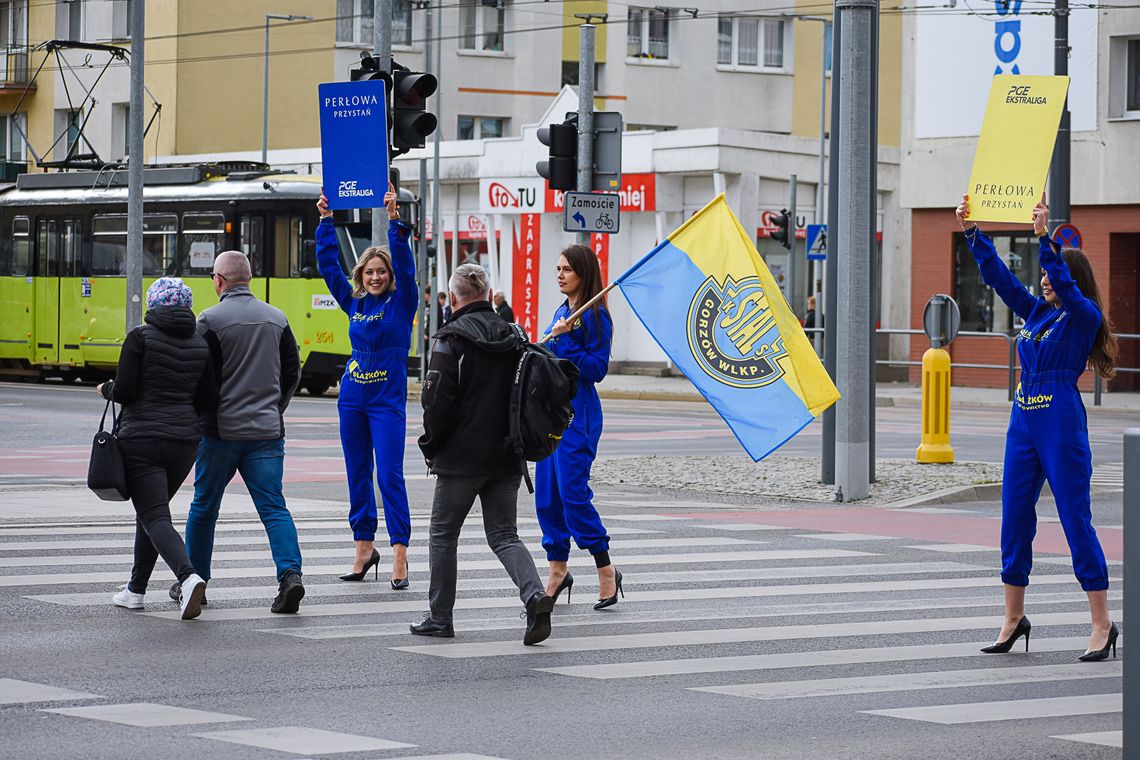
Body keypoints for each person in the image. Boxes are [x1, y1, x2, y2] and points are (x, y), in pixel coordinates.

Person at [957, 193, 1118, 662]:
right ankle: (1013, 618)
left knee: (1074, 518)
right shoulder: (1038, 314)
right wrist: (972, 233)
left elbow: (1067, 285)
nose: (1045, 278)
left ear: (1072, 279)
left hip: (1061, 421)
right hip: (1024, 419)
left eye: (1052, 272)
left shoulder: (1082, 316)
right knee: (1014, 519)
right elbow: (1000, 281)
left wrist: (1045, 238)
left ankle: (1102, 623)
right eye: (1044, 272)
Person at [411, 263, 555, 643]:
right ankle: (535, 594)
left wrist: (431, 446)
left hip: (461, 460)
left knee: (443, 535)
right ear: (490, 297)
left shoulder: (450, 339)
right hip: (508, 455)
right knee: (505, 535)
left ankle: (440, 618)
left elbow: (437, 403)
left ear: (453, 299)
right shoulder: (515, 336)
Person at [177, 250, 306, 614]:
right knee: (274, 508)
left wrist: (206, 414)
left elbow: (199, 377)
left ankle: (195, 580)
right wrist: (274, 409)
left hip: (220, 433)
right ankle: (290, 576)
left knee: (204, 507)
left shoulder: (209, 321)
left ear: (218, 280)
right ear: (248, 278)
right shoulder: (277, 318)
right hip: (266, 432)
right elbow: (292, 372)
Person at [316, 185, 416, 588]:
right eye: (369, 271)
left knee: (389, 475)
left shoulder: (402, 301)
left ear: (389, 277)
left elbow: (407, 268)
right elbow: (327, 266)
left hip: (386, 403)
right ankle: (362, 549)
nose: (375, 276)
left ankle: (399, 555)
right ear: (361, 275)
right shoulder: (354, 303)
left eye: (381, 271)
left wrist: (394, 221)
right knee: (358, 474)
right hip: (352, 400)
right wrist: (325, 220)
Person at [100, 278, 215, 620]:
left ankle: (188, 576)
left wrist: (107, 388)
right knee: (150, 513)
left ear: (153, 304)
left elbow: (126, 390)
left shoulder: (140, 336)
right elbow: (208, 399)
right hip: (183, 443)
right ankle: (135, 590)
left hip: (142, 439)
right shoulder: (200, 343)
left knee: (153, 515)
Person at [536, 244, 621, 610]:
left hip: (579, 413)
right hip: (550, 413)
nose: (559, 275)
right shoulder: (562, 309)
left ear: (583, 274)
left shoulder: (596, 316)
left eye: (567, 269)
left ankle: (606, 569)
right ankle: (558, 569)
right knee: (548, 496)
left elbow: (597, 369)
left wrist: (566, 338)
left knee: (572, 494)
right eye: (558, 268)